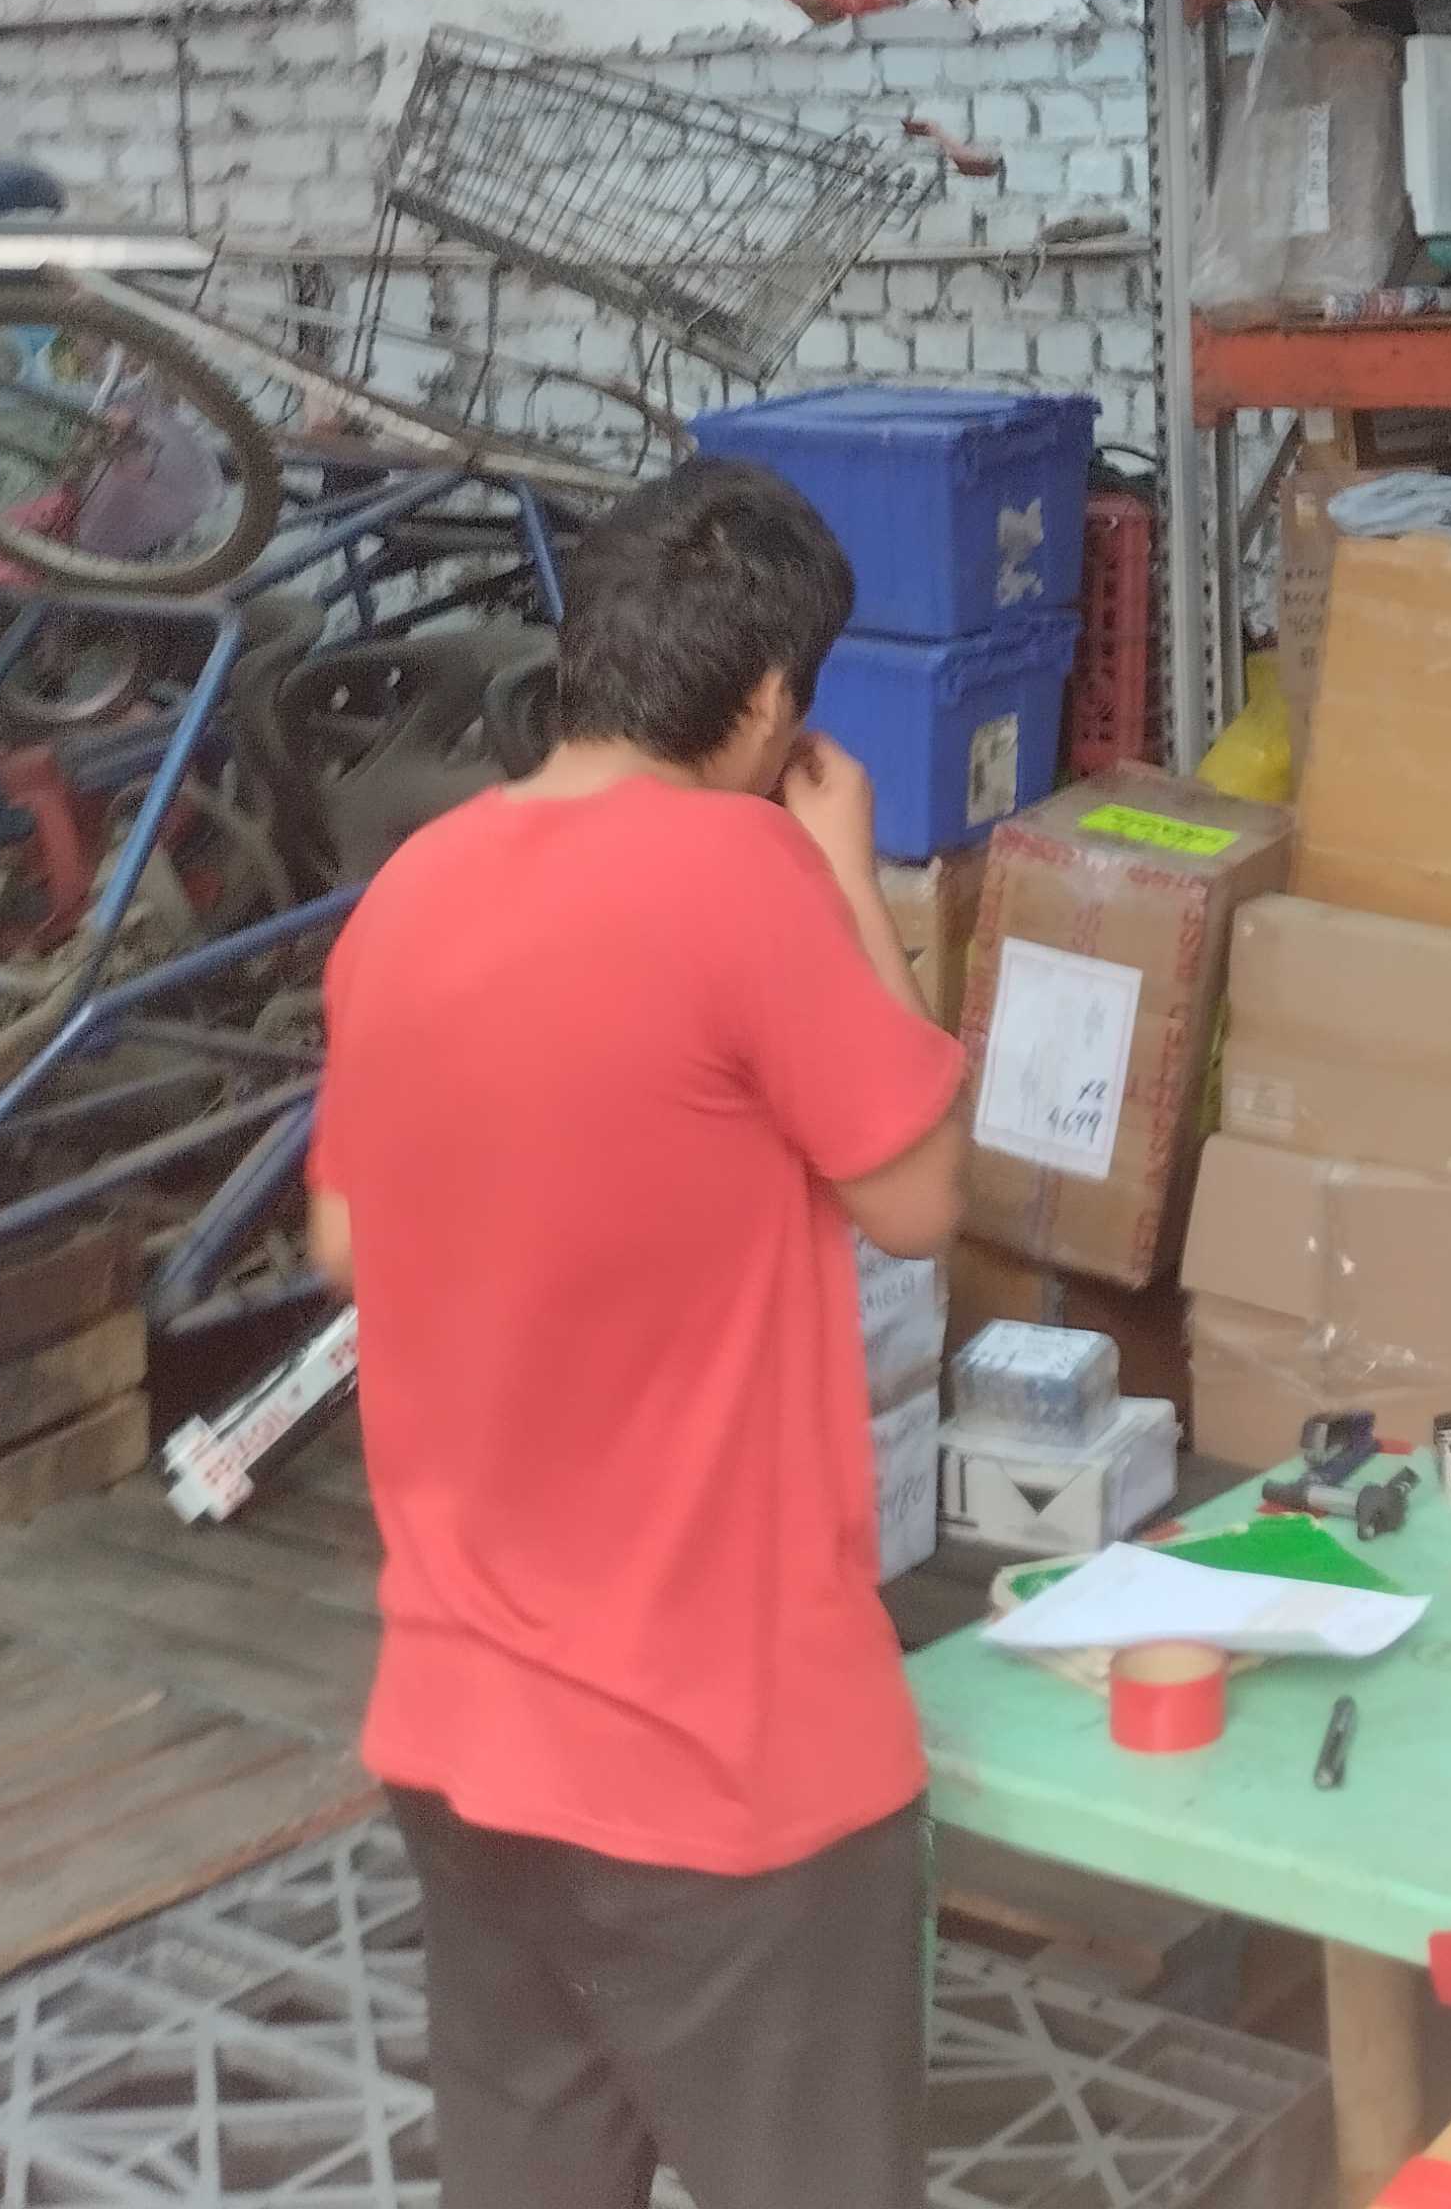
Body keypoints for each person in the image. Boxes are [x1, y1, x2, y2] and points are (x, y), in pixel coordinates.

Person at [308, 460, 966, 2209]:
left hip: (465, 1734)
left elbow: (348, 1238)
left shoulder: (414, 891)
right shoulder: (744, 878)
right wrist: (846, 879)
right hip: (723, 1762)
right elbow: (917, 1193)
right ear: (767, 699)